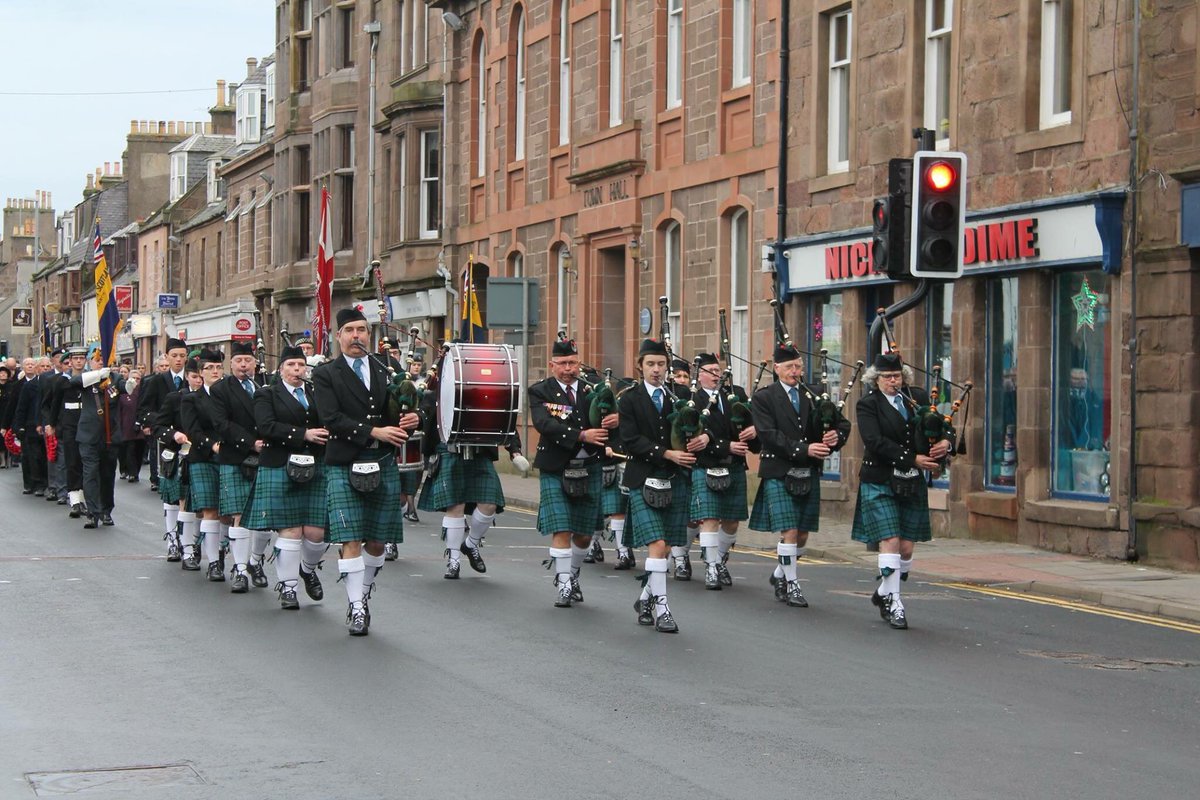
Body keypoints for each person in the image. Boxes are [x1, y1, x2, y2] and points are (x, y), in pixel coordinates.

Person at [312, 307, 421, 635]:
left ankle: (362, 591)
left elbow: (408, 406)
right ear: (339, 336)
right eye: (350, 330)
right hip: (345, 460)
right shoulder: (326, 374)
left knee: (377, 541)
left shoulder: (387, 367)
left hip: (382, 461)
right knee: (350, 538)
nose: (357, 336)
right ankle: (357, 606)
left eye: (362, 330)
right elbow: (331, 419)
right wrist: (375, 432)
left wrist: (415, 418)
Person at [851, 353, 951, 630]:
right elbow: (874, 441)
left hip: (910, 481)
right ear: (876, 379)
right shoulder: (867, 404)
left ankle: (883, 590)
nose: (892, 381)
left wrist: (945, 442)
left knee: (906, 548)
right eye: (887, 377)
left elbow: (945, 425)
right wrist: (913, 459)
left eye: (896, 376)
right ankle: (895, 602)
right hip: (879, 478)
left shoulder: (917, 397)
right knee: (891, 541)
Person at [749, 343, 850, 608]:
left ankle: (780, 574)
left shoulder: (815, 393)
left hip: (808, 472)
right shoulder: (764, 397)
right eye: (789, 367)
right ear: (777, 368)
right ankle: (792, 585)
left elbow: (842, 424)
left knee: (802, 534)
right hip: (779, 471)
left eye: (798, 366)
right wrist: (805, 448)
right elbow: (768, 435)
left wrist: (835, 436)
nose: (795, 372)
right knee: (790, 530)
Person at [417, 350, 527, 583]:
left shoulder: (481, 390)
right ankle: (453, 559)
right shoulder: (432, 394)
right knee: (454, 506)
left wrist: (514, 451)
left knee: (489, 504)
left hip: (480, 451)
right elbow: (422, 419)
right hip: (448, 451)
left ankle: (471, 544)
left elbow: (503, 418)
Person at [529, 337, 615, 607]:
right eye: (563, 363)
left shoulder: (595, 390)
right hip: (556, 466)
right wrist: (581, 435)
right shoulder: (540, 391)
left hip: (590, 466)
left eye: (573, 363)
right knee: (562, 528)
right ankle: (564, 584)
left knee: (585, 533)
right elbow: (544, 424)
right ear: (552, 364)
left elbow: (612, 421)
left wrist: (617, 419)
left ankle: (573, 574)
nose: (569, 368)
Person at [243, 345, 329, 610]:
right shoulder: (266, 394)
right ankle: (288, 588)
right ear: (281, 369)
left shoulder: (316, 393)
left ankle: (307, 569)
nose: (296, 370)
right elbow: (266, 426)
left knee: (316, 532)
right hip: (280, 464)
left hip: (315, 465)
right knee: (290, 531)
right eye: (291, 365)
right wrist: (303, 434)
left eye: (300, 365)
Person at [619, 338, 695, 633]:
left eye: (661, 364)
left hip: (674, 479)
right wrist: (665, 453)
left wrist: (702, 440)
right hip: (643, 478)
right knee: (658, 545)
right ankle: (662, 608)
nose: (656, 370)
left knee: (662, 552)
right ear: (640, 366)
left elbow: (697, 430)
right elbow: (630, 439)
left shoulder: (681, 396)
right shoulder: (629, 399)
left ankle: (644, 599)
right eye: (650, 364)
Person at [687, 352, 759, 590]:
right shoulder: (693, 401)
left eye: (718, 371)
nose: (716, 375)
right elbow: (696, 436)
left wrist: (753, 432)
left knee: (731, 522)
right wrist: (726, 444)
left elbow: (749, 423)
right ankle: (710, 568)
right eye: (710, 371)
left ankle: (718, 559)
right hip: (706, 465)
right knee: (709, 519)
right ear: (699, 375)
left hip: (734, 465)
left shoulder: (735, 395)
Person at [210, 340, 269, 594]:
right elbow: (221, 424)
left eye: (248, 360)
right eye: (238, 361)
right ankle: (240, 569)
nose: (244, 365)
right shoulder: (221, 390)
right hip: (236, 456)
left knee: (265, 518)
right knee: (238, 516)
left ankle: (255, 562)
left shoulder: (265, 386)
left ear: (255, 362)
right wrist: (251, 443)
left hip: (266, 457)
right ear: (230, 364)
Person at [181, 348, 227, 582]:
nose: (215, 372)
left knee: (228, 514)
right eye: (210, 368)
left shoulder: (231, 396)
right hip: (203, 457)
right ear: (200, 373)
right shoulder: (192, 399)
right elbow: (193, 431)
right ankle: (215, 563)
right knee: (210, 510)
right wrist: (213, 445)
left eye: (218, 367)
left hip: (230, 458)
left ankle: (222, 551)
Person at [155, 358, 202, 567]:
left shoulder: (214, 398)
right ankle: (177, 543)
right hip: (177, 455)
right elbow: (159, 426)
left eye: (201, 377)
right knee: (178, 500)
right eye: (194, 377)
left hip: (202, 455)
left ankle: (193, 544)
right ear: (187, 377)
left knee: (199, 506)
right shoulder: (175, 398)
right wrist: (174, 434)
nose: (199, 381)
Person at [72, 346, 125, 528]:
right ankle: (92, 512)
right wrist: (98, 375)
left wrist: (131, 383)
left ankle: (106, 510)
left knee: (107, 474)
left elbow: (124, 388)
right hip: (88, 436)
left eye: (104, 360)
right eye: (97, 360)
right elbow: (74, 382)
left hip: (110, 436)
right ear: (90, 362)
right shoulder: (86, 378)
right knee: (90, 473)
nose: (101, 362)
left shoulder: (115, 378)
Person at [42, 346, 88, 519]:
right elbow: (53, 405)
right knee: (72, 461)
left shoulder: (89, 379)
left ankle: (84, 499)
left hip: (86, 423)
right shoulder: (61, 381)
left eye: (81, 359)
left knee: (86, 463)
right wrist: (51, 424)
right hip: (68, 424)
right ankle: (74, 500)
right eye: (74, 359)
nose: (77, 362)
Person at [139, 341, 189, 492]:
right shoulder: (156, 380)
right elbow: (143, 410)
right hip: (166, 436)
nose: (178, 359)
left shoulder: (192, 379)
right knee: (170, 481)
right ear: (167, 357)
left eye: (182, 355)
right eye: (174, 356)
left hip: (190, 434)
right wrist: (162, 421)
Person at [12, 356, 51, 496]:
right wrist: (19, 426)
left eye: (48, 367)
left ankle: (47, 482)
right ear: (37, 369)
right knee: (34, 456)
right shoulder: (29, 385)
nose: (45, 369)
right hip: (31, 426)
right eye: (42, 366)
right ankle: (37, 483)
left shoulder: (53, 383)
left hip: (48, 425)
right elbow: (21, 407)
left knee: (48, 456)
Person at [118, 369, 146, 482]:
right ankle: (130, 472)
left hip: (140, 426)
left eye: (138, 378)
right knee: (128, 450)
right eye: (133, 378)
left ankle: (136, 471)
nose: (135, 380)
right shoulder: (123, 393)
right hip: (126, 426)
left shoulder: (143, 392)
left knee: (139, 450)